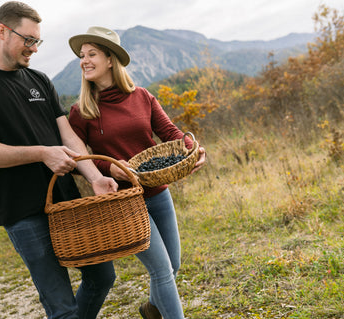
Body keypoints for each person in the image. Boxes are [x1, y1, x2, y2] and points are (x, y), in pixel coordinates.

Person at [0, 3, 119, 319]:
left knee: (103, 276)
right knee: (61, 307)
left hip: (67, 203)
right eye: (28, 40)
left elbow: (68, 137)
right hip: (23, 211)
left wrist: (93, 176)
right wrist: (42, 153)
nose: (34, 49)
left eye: (38, 41)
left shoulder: (40, 80)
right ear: (2, 31)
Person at [67, 26, 207, 319]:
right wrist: (111, 168)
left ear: (110, 60)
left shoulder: (141, 96)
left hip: (158, 192)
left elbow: (170, 133)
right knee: (161, 270)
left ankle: (152, 310)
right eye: (82, 55)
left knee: (174, 264)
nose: (84, 60)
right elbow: (81, 160)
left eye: (92, 54)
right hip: (125, 201)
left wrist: (192, 147)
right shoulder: (81, 111)